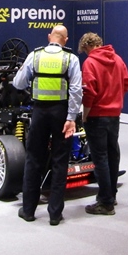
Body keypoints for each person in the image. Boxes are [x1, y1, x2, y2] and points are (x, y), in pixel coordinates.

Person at [12, 25, 82, 226]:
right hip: (61, 114)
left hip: (39, 113)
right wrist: (71, 118)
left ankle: (28, 210)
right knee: (60, 162)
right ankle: (55, 214)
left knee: (34, 159)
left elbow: (18, 83)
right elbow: (76, 91)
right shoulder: (71, 59)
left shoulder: (35, 56)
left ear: (49, 36)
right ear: (66, 40)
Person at [78, 32, 128, 216]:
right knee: (112, 155)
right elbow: (126, 83)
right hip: (114, 115)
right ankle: (111, 195)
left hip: (96, 116)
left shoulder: (90, 63)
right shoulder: (118, 59)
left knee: (100, 158)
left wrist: (85, 114)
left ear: (86, 46)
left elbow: (89, 92)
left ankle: (105, 203)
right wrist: (115, 100)